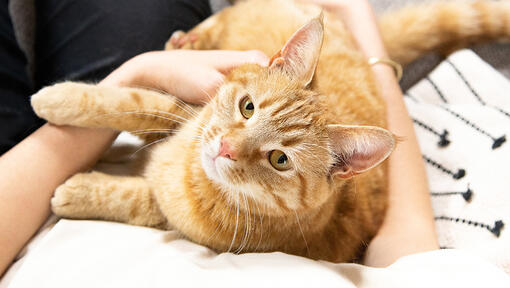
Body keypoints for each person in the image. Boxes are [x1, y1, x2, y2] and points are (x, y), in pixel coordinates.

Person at [0, 0, 438, 276]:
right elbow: (415, 244)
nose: (230, 148)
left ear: (339, 171)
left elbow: (175, 202)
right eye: (248, 110)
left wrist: (141, 71)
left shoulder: (276, 229)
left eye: (279, 160)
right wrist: (363, 29)